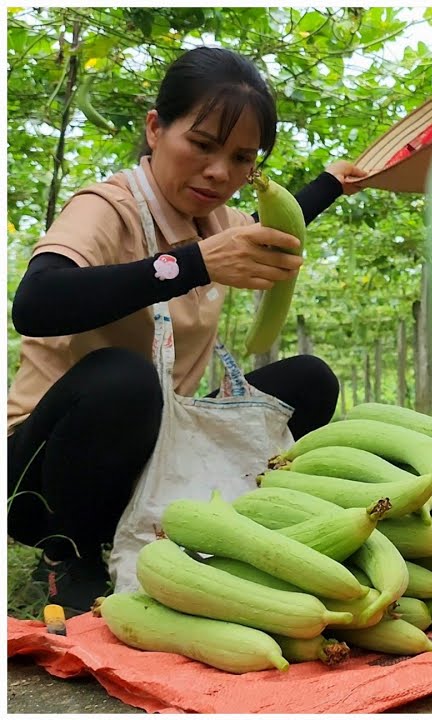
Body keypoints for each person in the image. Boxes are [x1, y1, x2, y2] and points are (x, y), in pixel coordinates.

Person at [7, 46, 369, 612]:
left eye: (242, 158)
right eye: (201, 145)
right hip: (46, 470)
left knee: (309, 381)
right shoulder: (109, 205)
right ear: (155, 128)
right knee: (125, 381)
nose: (220, 172)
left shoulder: (215, 219)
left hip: (153, 454)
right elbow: (35, 303)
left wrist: (329, 184)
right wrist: (193, 265)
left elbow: (270, 226)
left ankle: (226, 531)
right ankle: (68, 552)